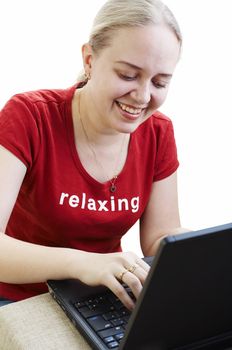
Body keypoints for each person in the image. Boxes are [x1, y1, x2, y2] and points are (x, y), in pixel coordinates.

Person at [0, 0, 186, 310]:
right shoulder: (29, 117)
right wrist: (83, 264)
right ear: (89, 59)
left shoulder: (158, 132)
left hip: (102, 298)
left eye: (159, 82)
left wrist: (203, 249)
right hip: (19, 299)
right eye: (128, 75)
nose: (142, 97)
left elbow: (159, 238)